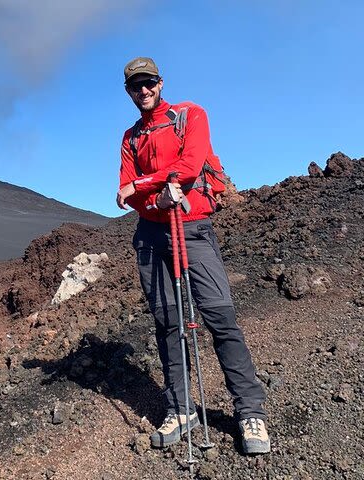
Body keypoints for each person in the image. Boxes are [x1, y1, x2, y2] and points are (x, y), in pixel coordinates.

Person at [116, 57, 270, 454]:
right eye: (136, 86)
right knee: (168, 321)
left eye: (149, 82)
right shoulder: (130, 137)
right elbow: (123, 193)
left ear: (160, 83)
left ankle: (250, 411)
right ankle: (180, 409)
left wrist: (147, 185)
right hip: (151, 234)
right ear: (129, 92)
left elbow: (189, 165)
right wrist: (157, 191)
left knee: (220, 316)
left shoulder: (191, 115)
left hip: (192, 229)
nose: (144, 90)